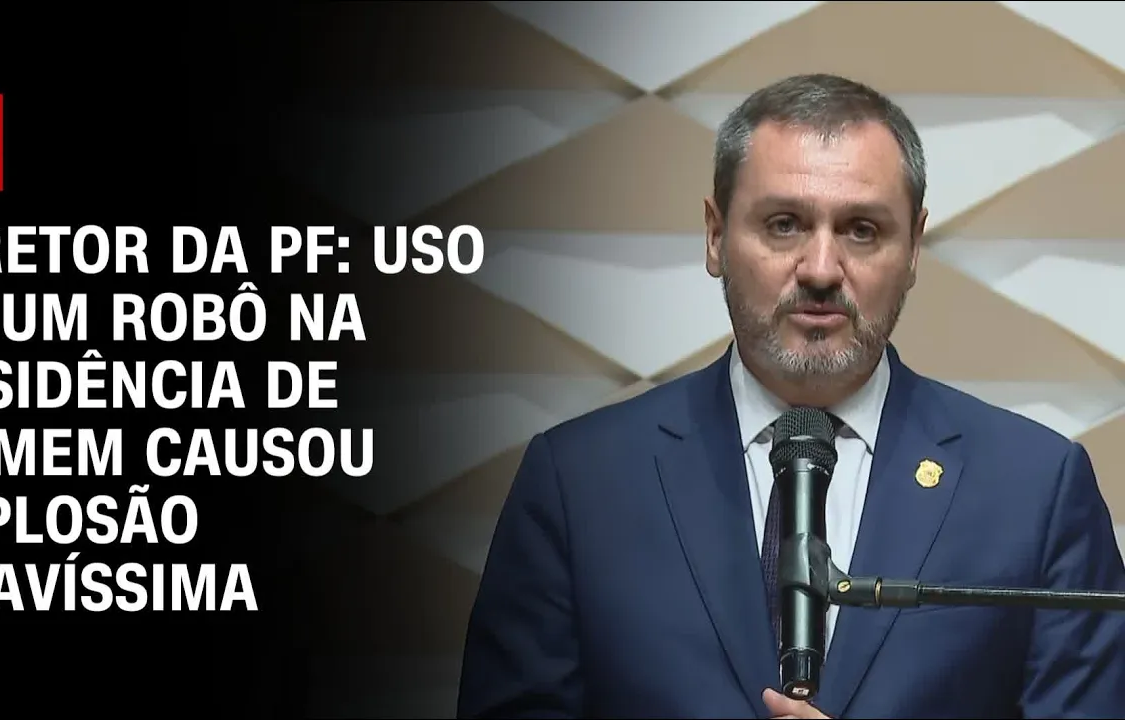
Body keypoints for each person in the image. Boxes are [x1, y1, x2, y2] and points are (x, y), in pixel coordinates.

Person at [456, 73, 1125, 719]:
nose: (821, 269)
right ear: (715, 235)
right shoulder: (578, 483)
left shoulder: (1035, 490)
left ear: (915, 248)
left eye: (862, 230)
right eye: (783, 224)